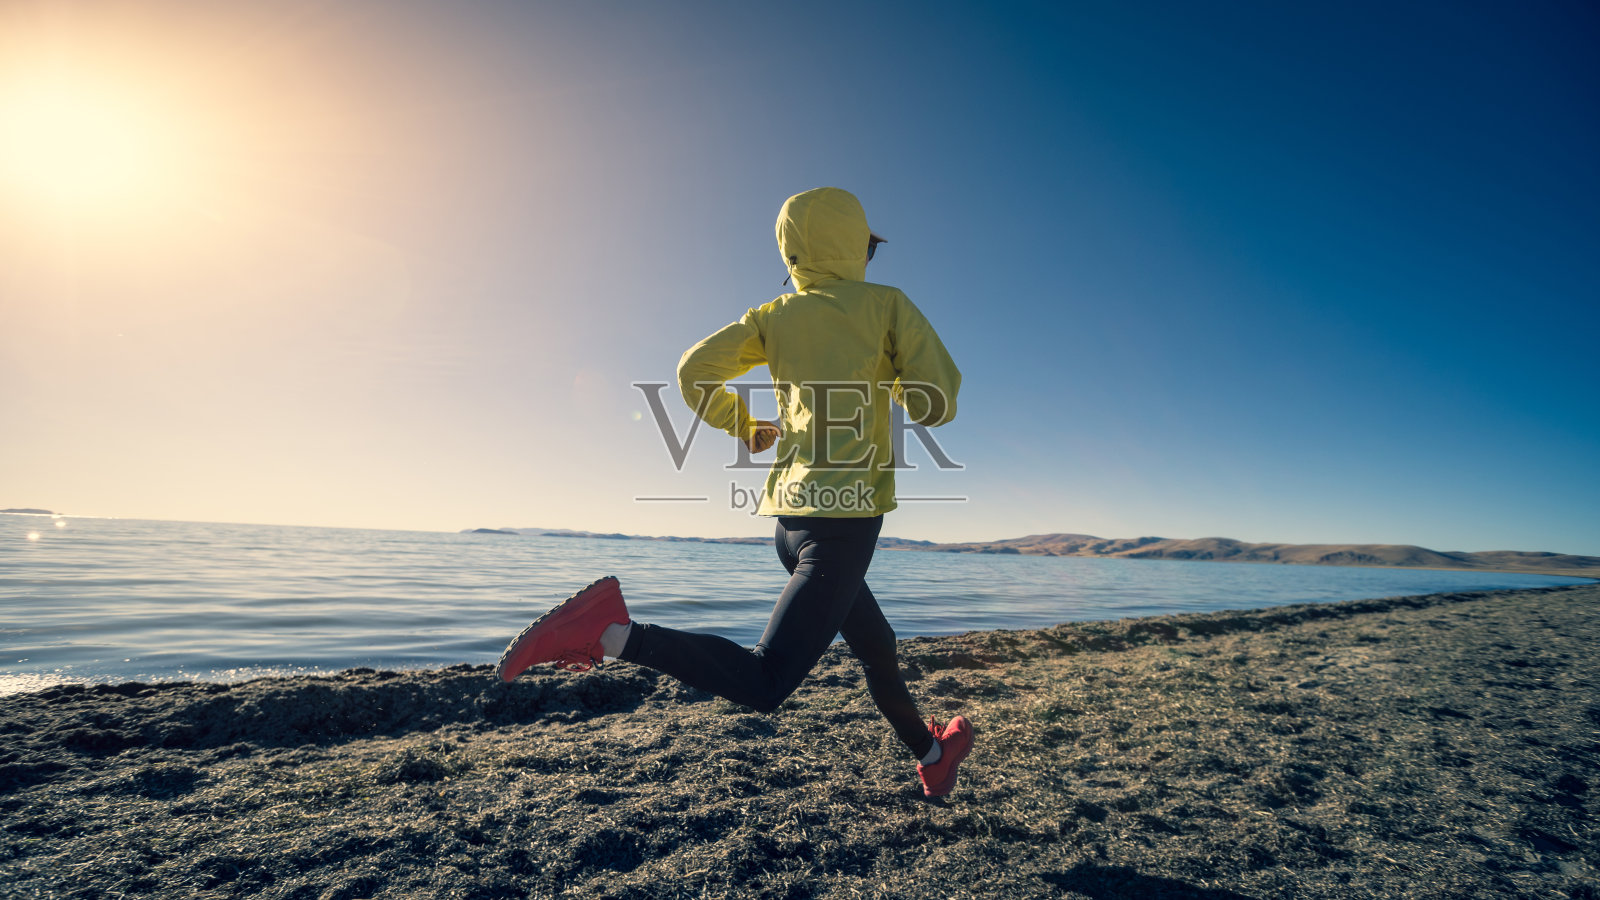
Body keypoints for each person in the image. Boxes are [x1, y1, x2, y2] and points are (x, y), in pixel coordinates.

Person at [495, 187, 971, 797]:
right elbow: (941, 406)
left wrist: (747, 427)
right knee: (766, 682)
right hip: (844, 523)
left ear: (793, 253)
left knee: (878, 646)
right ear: (857, 248)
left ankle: (933, 754)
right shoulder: (887, 306)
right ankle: (611, 634)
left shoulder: (772, 317)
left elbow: (693, 373)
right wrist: (893, 379)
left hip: (790, 526)